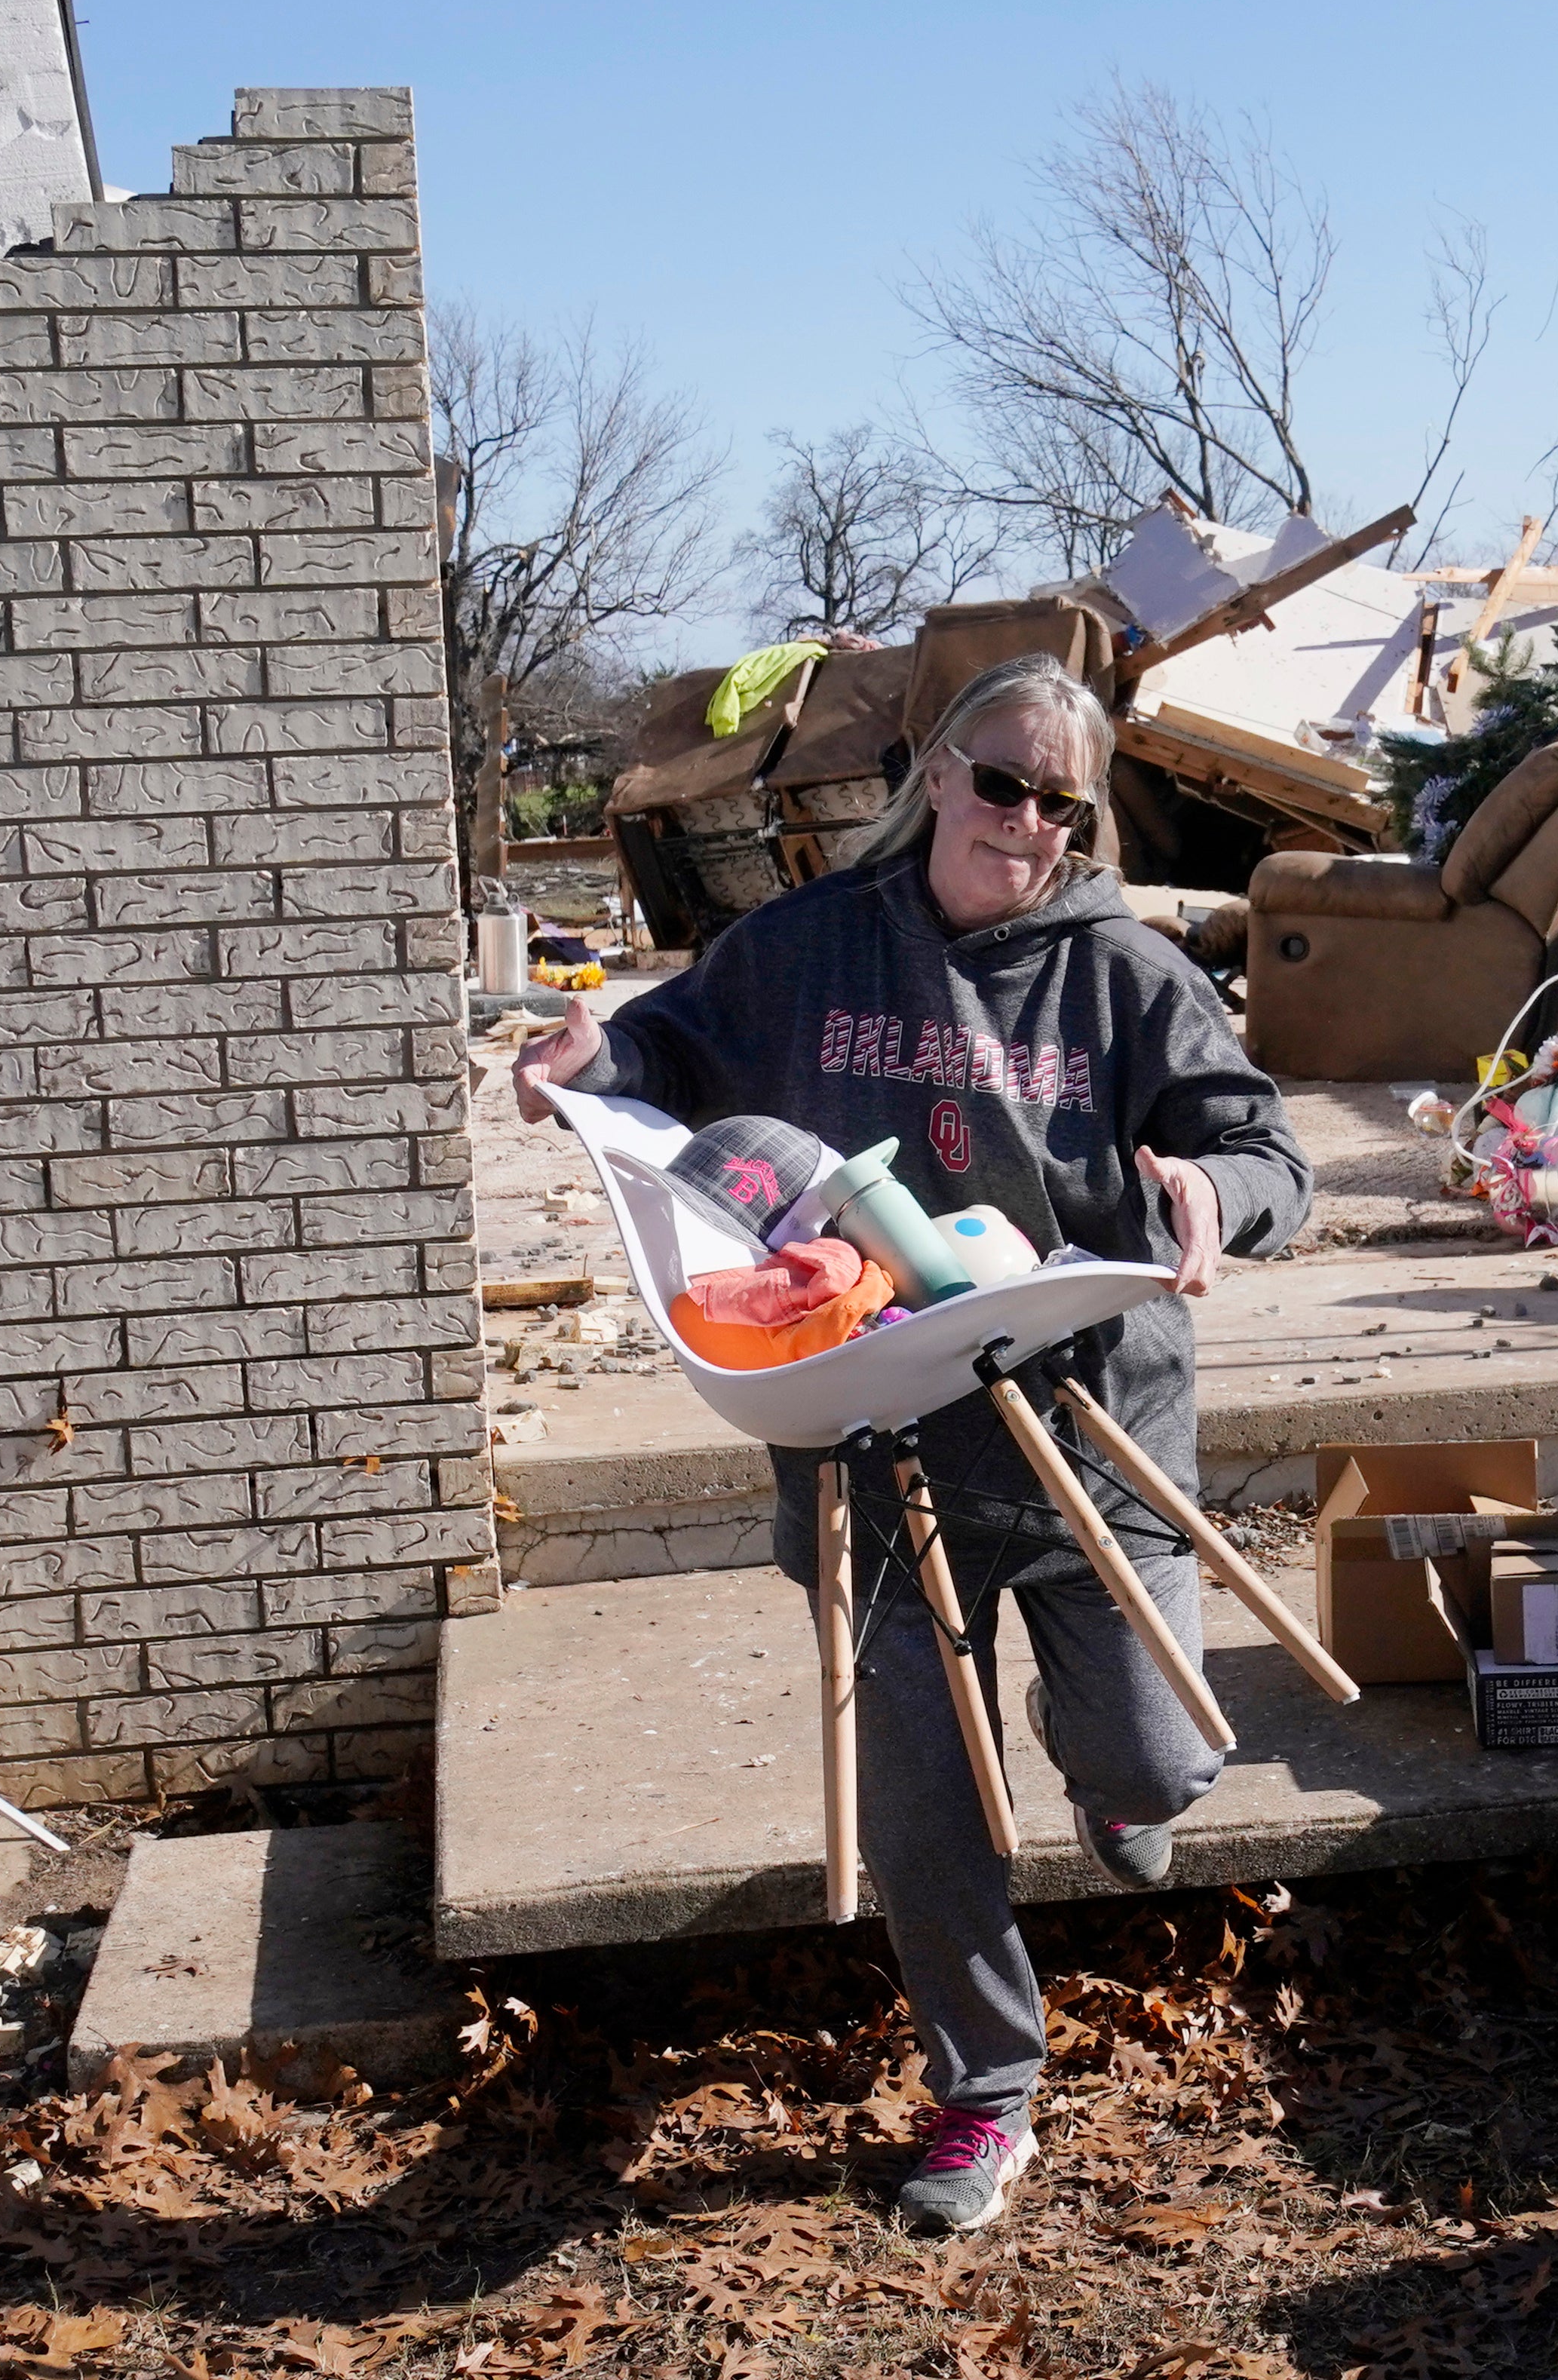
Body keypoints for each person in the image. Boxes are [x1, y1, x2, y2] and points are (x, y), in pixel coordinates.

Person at [511, 652, 1310, 2239]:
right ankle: (983, 2093)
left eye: (1057, 802)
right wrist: (587, 1059)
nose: (1021, 821)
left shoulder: (1126, 973)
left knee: (1156, 1754)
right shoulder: (805, 948)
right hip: (870, 1440)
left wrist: (1222, 1198)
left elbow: (1262, 1146)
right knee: (927, 1805)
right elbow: (665, 1057)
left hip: (1088, 1423)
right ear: (938, 772)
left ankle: (1113, 1778)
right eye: (999, 780)